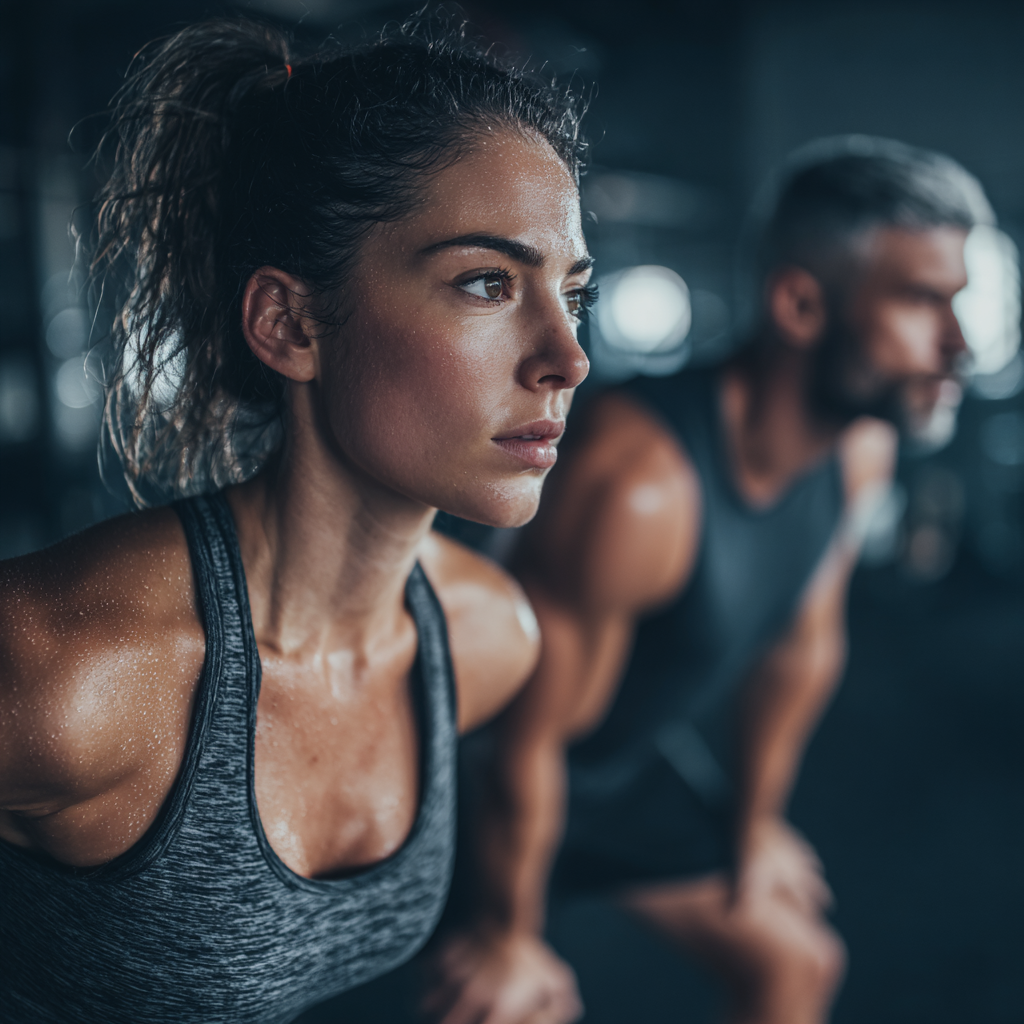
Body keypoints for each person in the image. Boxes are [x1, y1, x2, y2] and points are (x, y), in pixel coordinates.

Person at [0, 15, 594, 1023]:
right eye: (487, 283)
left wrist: (515, 948)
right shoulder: (61, 669)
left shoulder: (489, 639)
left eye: (574, 293)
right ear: (289, 324)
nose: (567, 358)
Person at [428, 137, 992, 1024]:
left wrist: (753, 824)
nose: (959, 343)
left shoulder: (859, 455)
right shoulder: (639, 484)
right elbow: (521, 740)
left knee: (798, 962)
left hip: (615, 767)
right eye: (923, 301)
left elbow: (800, 650)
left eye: (956, 301)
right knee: (518, 1006)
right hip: (475, 781)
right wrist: (509, 934)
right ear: (800, 304)